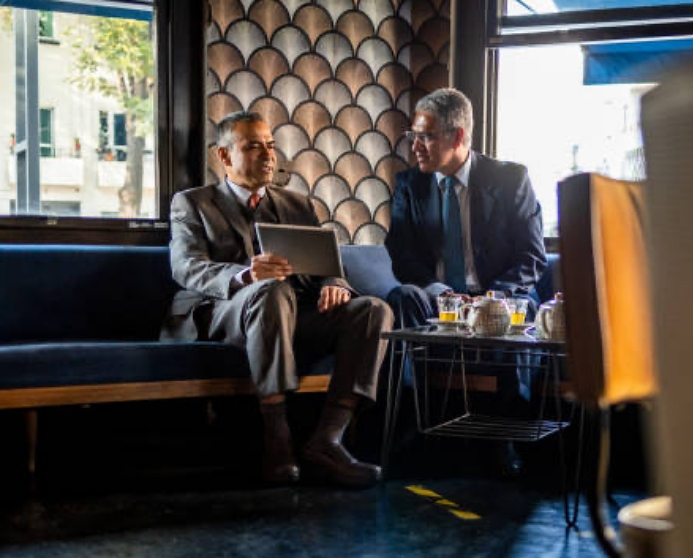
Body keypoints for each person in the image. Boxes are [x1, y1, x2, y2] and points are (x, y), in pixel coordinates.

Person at [160, 110, 393, 488]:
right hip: (222, 313)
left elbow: (326, 263)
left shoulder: (298, 205)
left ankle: (327, 440)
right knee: (270, 289)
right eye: (253, 147)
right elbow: (186, 267)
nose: (268, 155)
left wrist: (334, 283)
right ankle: (278, 437)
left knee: (373, 310)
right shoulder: (193, 203)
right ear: (224, 156)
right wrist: (245, 275)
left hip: (290, 312)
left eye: (270, 146)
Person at [384, 88, 547, 476]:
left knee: (516, 308)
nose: (416, 147)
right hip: (439, 296)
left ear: (457, 137)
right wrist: (441, 294)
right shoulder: (410, 184)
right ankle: (411, 423)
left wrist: (493, 296)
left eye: (426, 137)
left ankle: (506, 434)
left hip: (498, 292)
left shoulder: (509, 179)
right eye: (413, 136)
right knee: (402, 296)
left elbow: (532, 256)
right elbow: (400, 253)